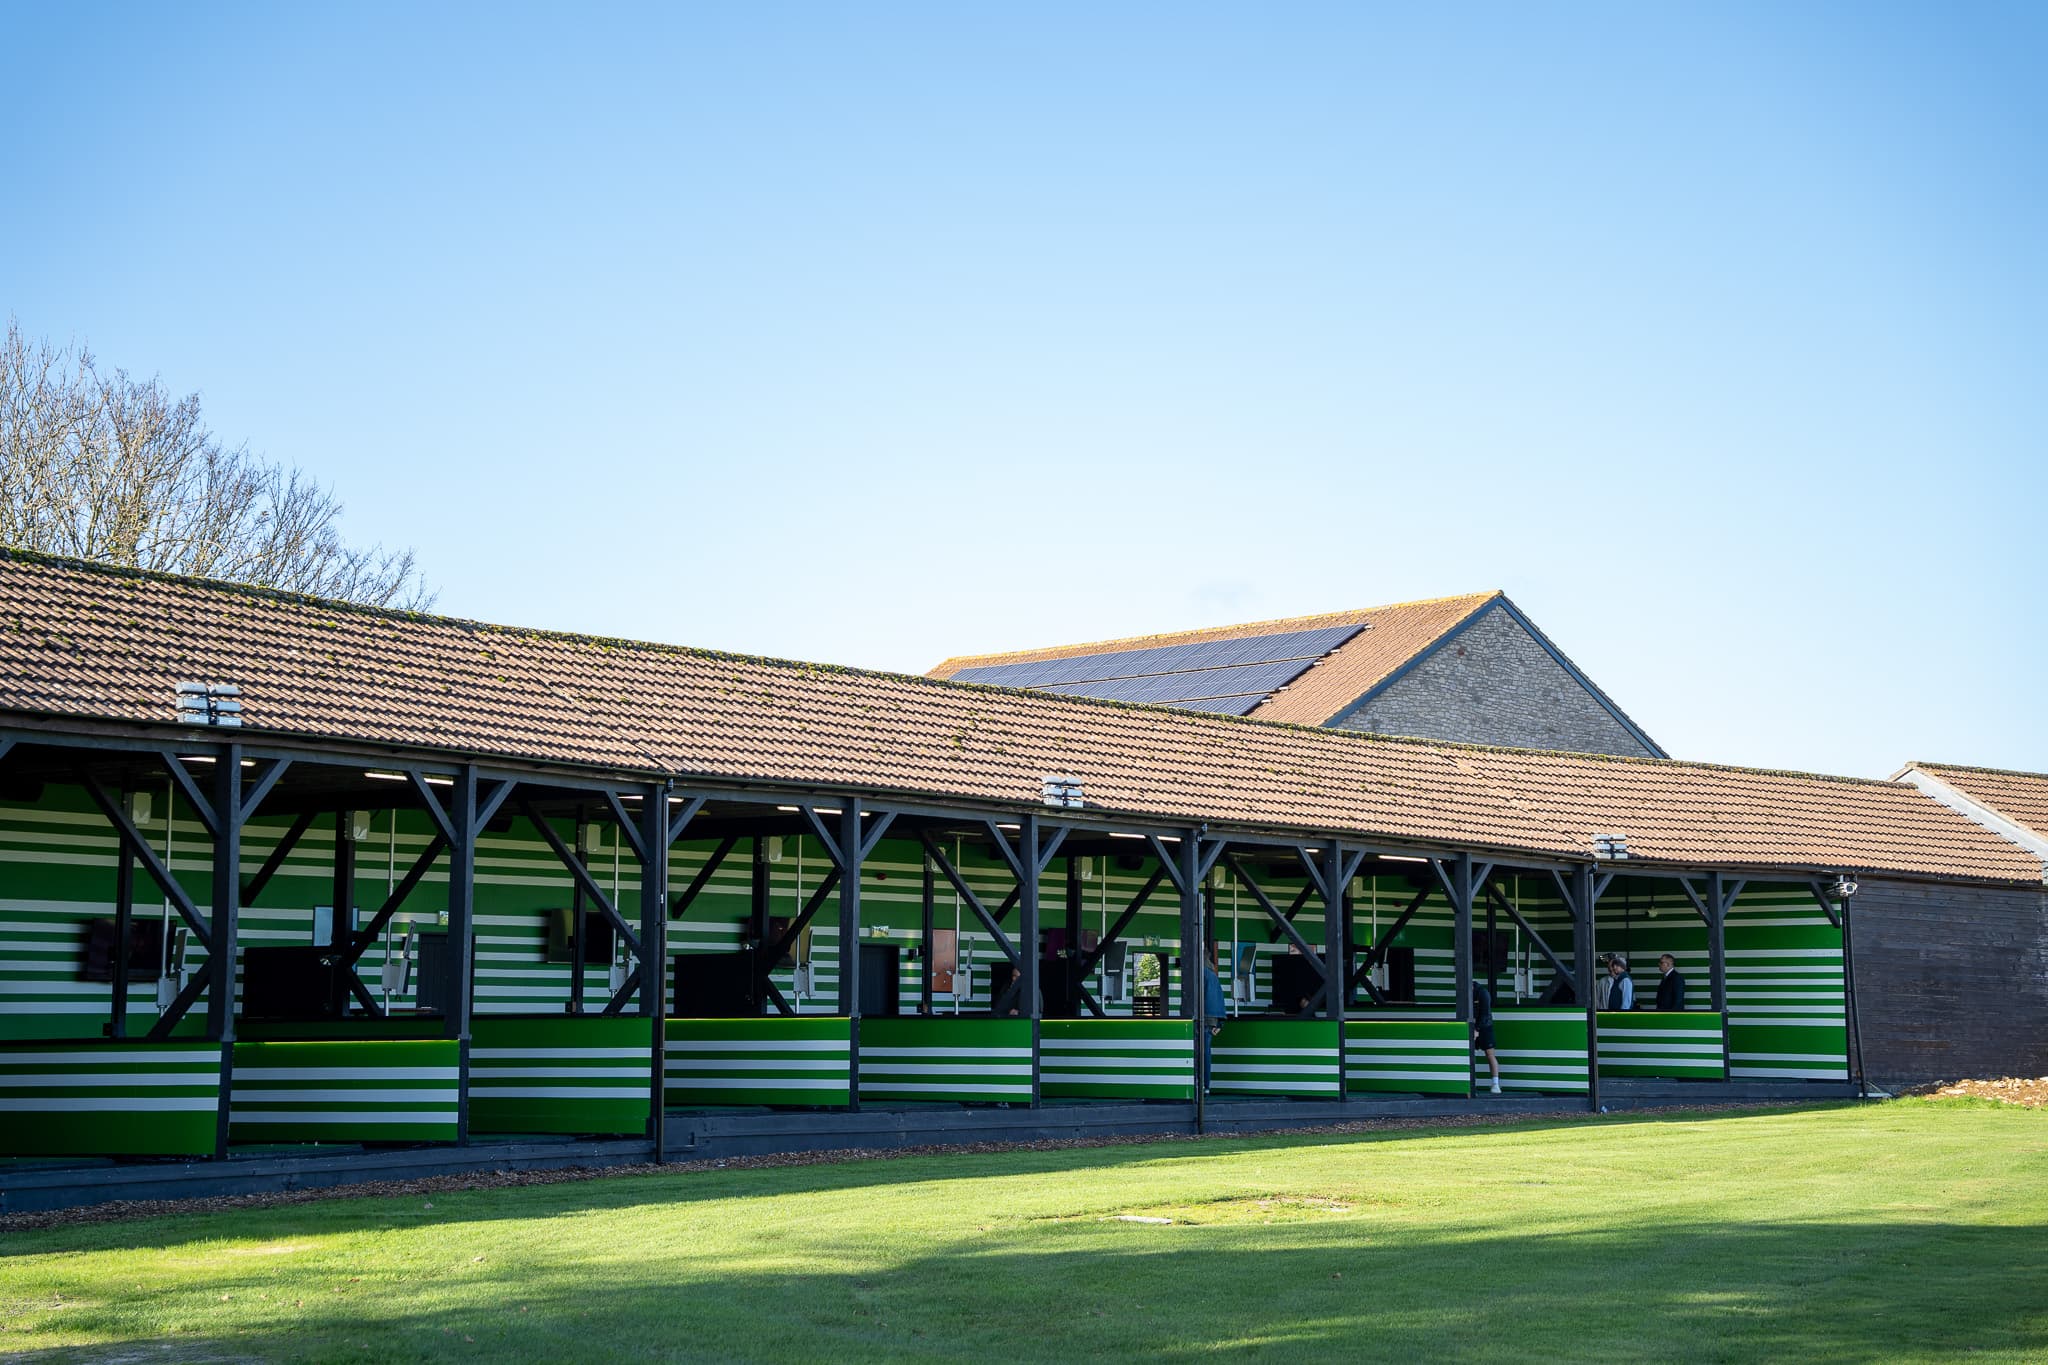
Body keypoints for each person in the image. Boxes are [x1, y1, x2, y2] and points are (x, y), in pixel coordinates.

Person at [1201, 943, 1227, 1092]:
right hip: (1212, 1019)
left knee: (1200, 1053)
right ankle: (1206, 1085)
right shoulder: (1212, 974)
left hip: (1202, 1018)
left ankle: (1201, 1084)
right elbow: (1218, 998)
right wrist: (1220, 1022)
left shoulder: (1200, 973)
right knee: (1206, 1052)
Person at [1473, 979, 1501, 1095]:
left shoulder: (1483, 993)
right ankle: (1470, 1084)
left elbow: (1485, 1014)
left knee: (1490, 1055)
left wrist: (1477, 1029)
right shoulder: (1464, 992)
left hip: (1485, 1026)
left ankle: (1495, 1084)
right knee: (1469, 1055)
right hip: (1471, 1026)